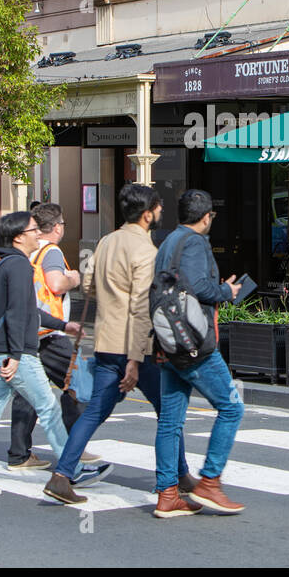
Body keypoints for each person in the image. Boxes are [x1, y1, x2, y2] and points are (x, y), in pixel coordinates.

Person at [43, 184, 193, 505]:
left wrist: (112, 298)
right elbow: (142, 308)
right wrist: (136, 361)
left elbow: (87, 286)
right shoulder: (147, 251)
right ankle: (175, 478)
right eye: (157, 207)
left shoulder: (106, 241)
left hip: (106, 339)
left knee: (96, 410)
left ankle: (62, 474)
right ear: (147, 212)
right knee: (168, 411)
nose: (160, 212)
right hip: (136, 348)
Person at [0, 211, 112, 497]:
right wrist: (16, 355)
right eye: (33, 230)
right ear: (18, 237)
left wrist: (63, 325)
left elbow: (28, 311)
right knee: (49, 410)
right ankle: (72, 470)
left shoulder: (4, 263)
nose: (38, 234)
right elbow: (17, 314)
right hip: (16, 354)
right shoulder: (18, 266)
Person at [152, 189, 246, 518]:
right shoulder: (194, 243)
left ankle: (167, 494)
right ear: (206, 217)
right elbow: (197, 288)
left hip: (169, 341)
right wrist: (227, 291)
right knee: (232, 407)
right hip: (193, 344)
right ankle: (210, 481)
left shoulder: (168, 242)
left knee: (170, 422)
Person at [6, 202, 98, 470]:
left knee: (28, 393)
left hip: (27, 332)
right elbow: (56, 283)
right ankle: (75, 447)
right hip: (50, 333)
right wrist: (74, 278)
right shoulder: (51, 251)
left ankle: (19, 454)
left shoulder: (29, 253)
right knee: (78, 384)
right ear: (57, 227)